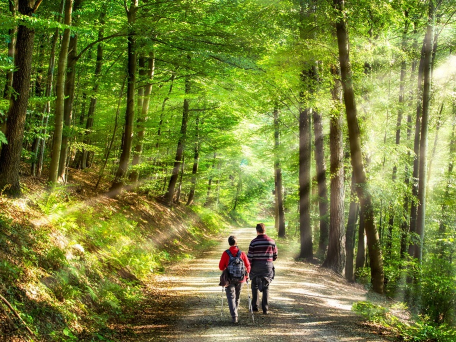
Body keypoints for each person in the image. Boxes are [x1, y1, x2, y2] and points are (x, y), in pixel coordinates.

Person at [219, 235, 251, 324]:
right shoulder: (242, 253)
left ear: (229, 243)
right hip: (241, 279)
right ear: (236, 243)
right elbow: (248, 265)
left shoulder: (226, 253)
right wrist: (247, 275)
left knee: (231, 297)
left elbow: (221, 267)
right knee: (237, 296)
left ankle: (234, 316)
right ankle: (235, 312)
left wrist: (226, 268)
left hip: (229, 279)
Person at [247, 223, 278, 315]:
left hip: (256, 266)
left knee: (255, 285)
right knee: (266, 286)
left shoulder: (253, 242)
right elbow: (275, 256)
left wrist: (249, 268)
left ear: (257, 231)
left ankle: (255, 306)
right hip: (267, 266)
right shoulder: (272, 242)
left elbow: (250, 257)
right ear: (265, 230)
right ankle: (265, 309)